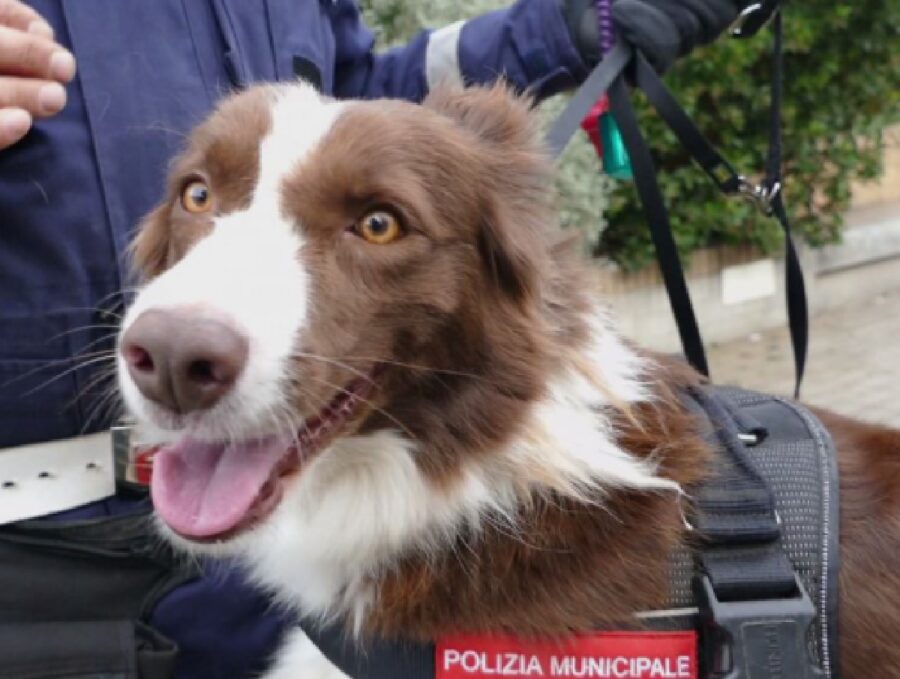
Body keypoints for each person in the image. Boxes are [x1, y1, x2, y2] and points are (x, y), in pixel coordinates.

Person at [0, 1, 749, 677]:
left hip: (316, 550)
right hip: (48, 580)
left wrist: (568, 26)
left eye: (378, 224)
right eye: (200, 194)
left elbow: (361, 101)